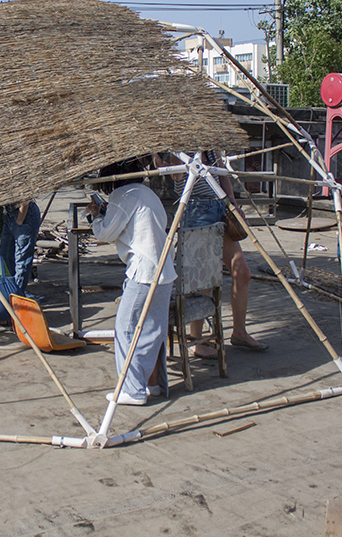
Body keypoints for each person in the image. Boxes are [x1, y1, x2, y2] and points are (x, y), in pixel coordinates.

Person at [153, 151, 267, 357]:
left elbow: (222, 171)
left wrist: (232, 202)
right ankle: (198, 342)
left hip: (219, 208)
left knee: (242, 272)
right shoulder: (179, 150)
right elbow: (174, 175)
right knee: (202, 281)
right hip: (197, 211)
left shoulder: (210, 147)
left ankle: (239, 332)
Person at [86, 158, 176, 406]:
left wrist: (95, 217)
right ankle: (153, 384)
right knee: (153, 330)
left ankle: (132, 389)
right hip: (164, 270)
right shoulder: (147, 193)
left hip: (144, 271)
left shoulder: (123, 195)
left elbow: (106, 233)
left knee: (126, 328)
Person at [0, 200, 42, 291]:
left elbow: (25, 199)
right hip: (10, 214)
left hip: (25, 215)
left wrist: (19, 221)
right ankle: (10, 290)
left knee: (22, 259)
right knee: (5, 255)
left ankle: (18, 293)